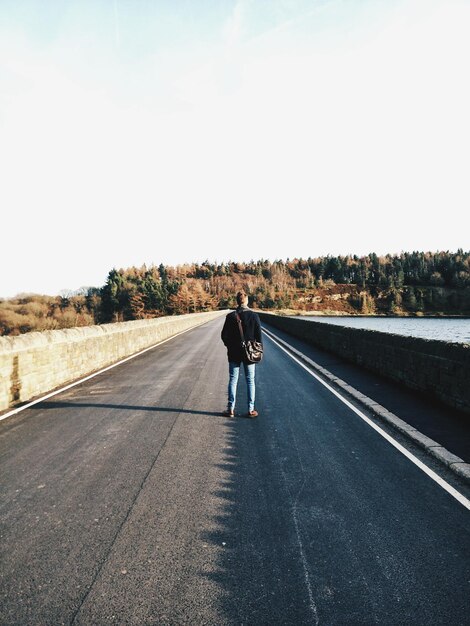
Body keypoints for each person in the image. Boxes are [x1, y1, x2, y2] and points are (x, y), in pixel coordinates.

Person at [221, 291, 263, 418]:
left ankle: (231, 409)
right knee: (250, 381)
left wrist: (230, 346)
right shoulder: (254, 316)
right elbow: (259, 337)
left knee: (233, 380)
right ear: (247, 301)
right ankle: (250, 410)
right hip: (249, 353)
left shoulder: (230, 316)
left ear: (237, 302)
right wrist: (257, 350)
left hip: (234, 353)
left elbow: (224, 336)